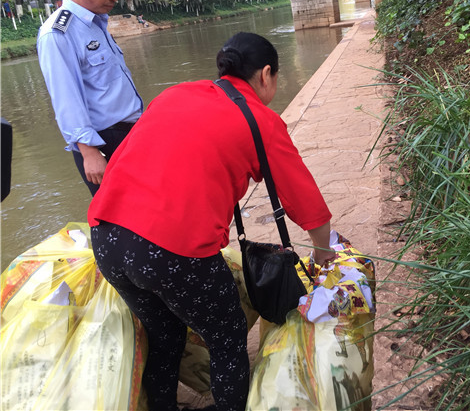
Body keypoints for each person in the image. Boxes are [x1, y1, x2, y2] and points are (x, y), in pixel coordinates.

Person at [87, 32, 335, 411]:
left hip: (106, 237)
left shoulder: (176, 93)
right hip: (170, 250)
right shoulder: (260, 120)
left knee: (164, 332)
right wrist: (322, 251)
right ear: (266, 74)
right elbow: (305, 200)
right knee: (226, 334)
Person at [37, 0, 142, 196]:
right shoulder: (58, 33)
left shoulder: (96, 23)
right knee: (119, 214)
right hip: (103, 143)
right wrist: (89, 152)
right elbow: (66, 98)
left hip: (132, 134)